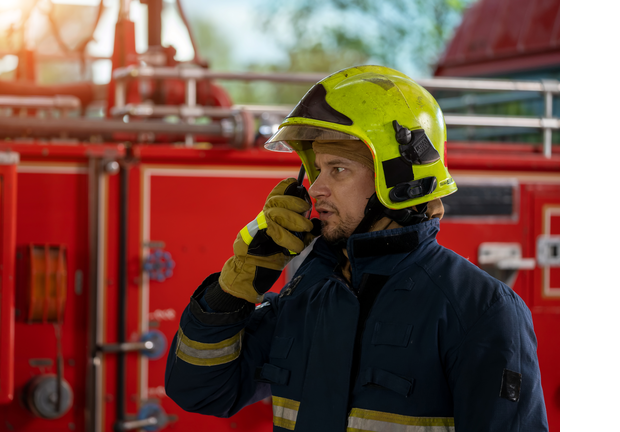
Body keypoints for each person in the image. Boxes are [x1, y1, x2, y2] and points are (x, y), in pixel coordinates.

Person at [164, 65, 548, 431]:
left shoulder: (479, 310)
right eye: (316, 170)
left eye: (338, 169)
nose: (315, 189)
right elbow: (202, 391)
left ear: (399, 178)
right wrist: (234, 290)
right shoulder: (308, 294)